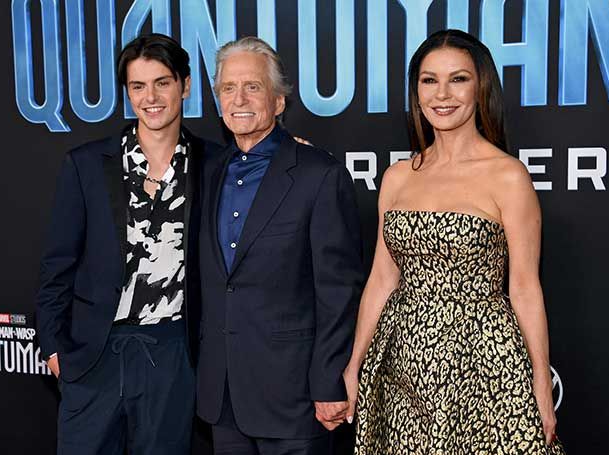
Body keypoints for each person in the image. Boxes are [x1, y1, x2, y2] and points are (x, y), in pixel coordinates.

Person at [343, 29, 566, 454]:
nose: (442, 94)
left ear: (480, 86)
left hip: (484, 359)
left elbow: (523, 286)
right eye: (429, 80)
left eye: (458, 79)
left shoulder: (507, 176)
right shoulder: (398, 177)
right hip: (403, 360)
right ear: (417, 90)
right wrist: (355, 364)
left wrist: (540, 379)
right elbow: (382, 278)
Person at [36, 33, 215, 454]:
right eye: (138, 86)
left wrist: (288, 151)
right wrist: (55, 349)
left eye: (162, 83)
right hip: (94, 354)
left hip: (172, 354)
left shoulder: (215, 164)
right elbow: (56, 266)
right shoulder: (86, 165)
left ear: (185, 85)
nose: (150, 97)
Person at [196, 36, 364, 455]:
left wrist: (329, 382)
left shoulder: (318, 174)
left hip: (293, 398)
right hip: (224, 396)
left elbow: (338, 291)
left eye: (252, 87)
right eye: (227, 88)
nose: (239, 99)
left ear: (278, 101)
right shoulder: (208, 171)